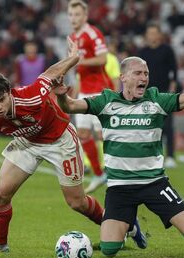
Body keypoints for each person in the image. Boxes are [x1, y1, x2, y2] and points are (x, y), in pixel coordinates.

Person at [0, 39, 143, 254]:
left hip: (60, 140)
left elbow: (51, 73)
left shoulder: (31, 97)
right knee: (0, 194)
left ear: (9, 92)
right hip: (28, 143)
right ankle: (0, 244)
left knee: (76, 202)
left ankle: (122, 226)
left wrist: (74, 58)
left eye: (1, 100)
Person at [55, 52, 184, 257]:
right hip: (120, 188)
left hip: (154, 183)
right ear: (123, 77)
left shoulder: (157, 100)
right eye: (138, 73)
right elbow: (70, 106)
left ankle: (136, 222)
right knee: (109, 250)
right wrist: (62, 95)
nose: (144, 77)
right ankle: (132, 227)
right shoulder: (106, 101)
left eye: (146, 73)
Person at [68, 0, 113, 193]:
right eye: (71, 14)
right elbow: (78, 70)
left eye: (77, 14)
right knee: (83, 134)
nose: (73, 18)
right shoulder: (71, 37)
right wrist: (76, 91)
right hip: (84, 90)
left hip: (99, 89)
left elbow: (103, 58)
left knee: (104, 134)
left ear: (85, 16)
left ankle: (115, 172)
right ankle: (98, 174)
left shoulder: (92, 33)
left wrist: (80, 59)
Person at [138, 23, 179, 168]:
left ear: (159, 35)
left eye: (154, 33)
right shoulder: (142, 52)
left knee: (167, 125)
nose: (152, 36)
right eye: (149, 33)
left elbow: (174, 71)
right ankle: (152, 156)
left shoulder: (167, 50)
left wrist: (171, 91)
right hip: (147, 94)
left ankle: (171, 156)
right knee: (149, 125)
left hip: (164, 93)